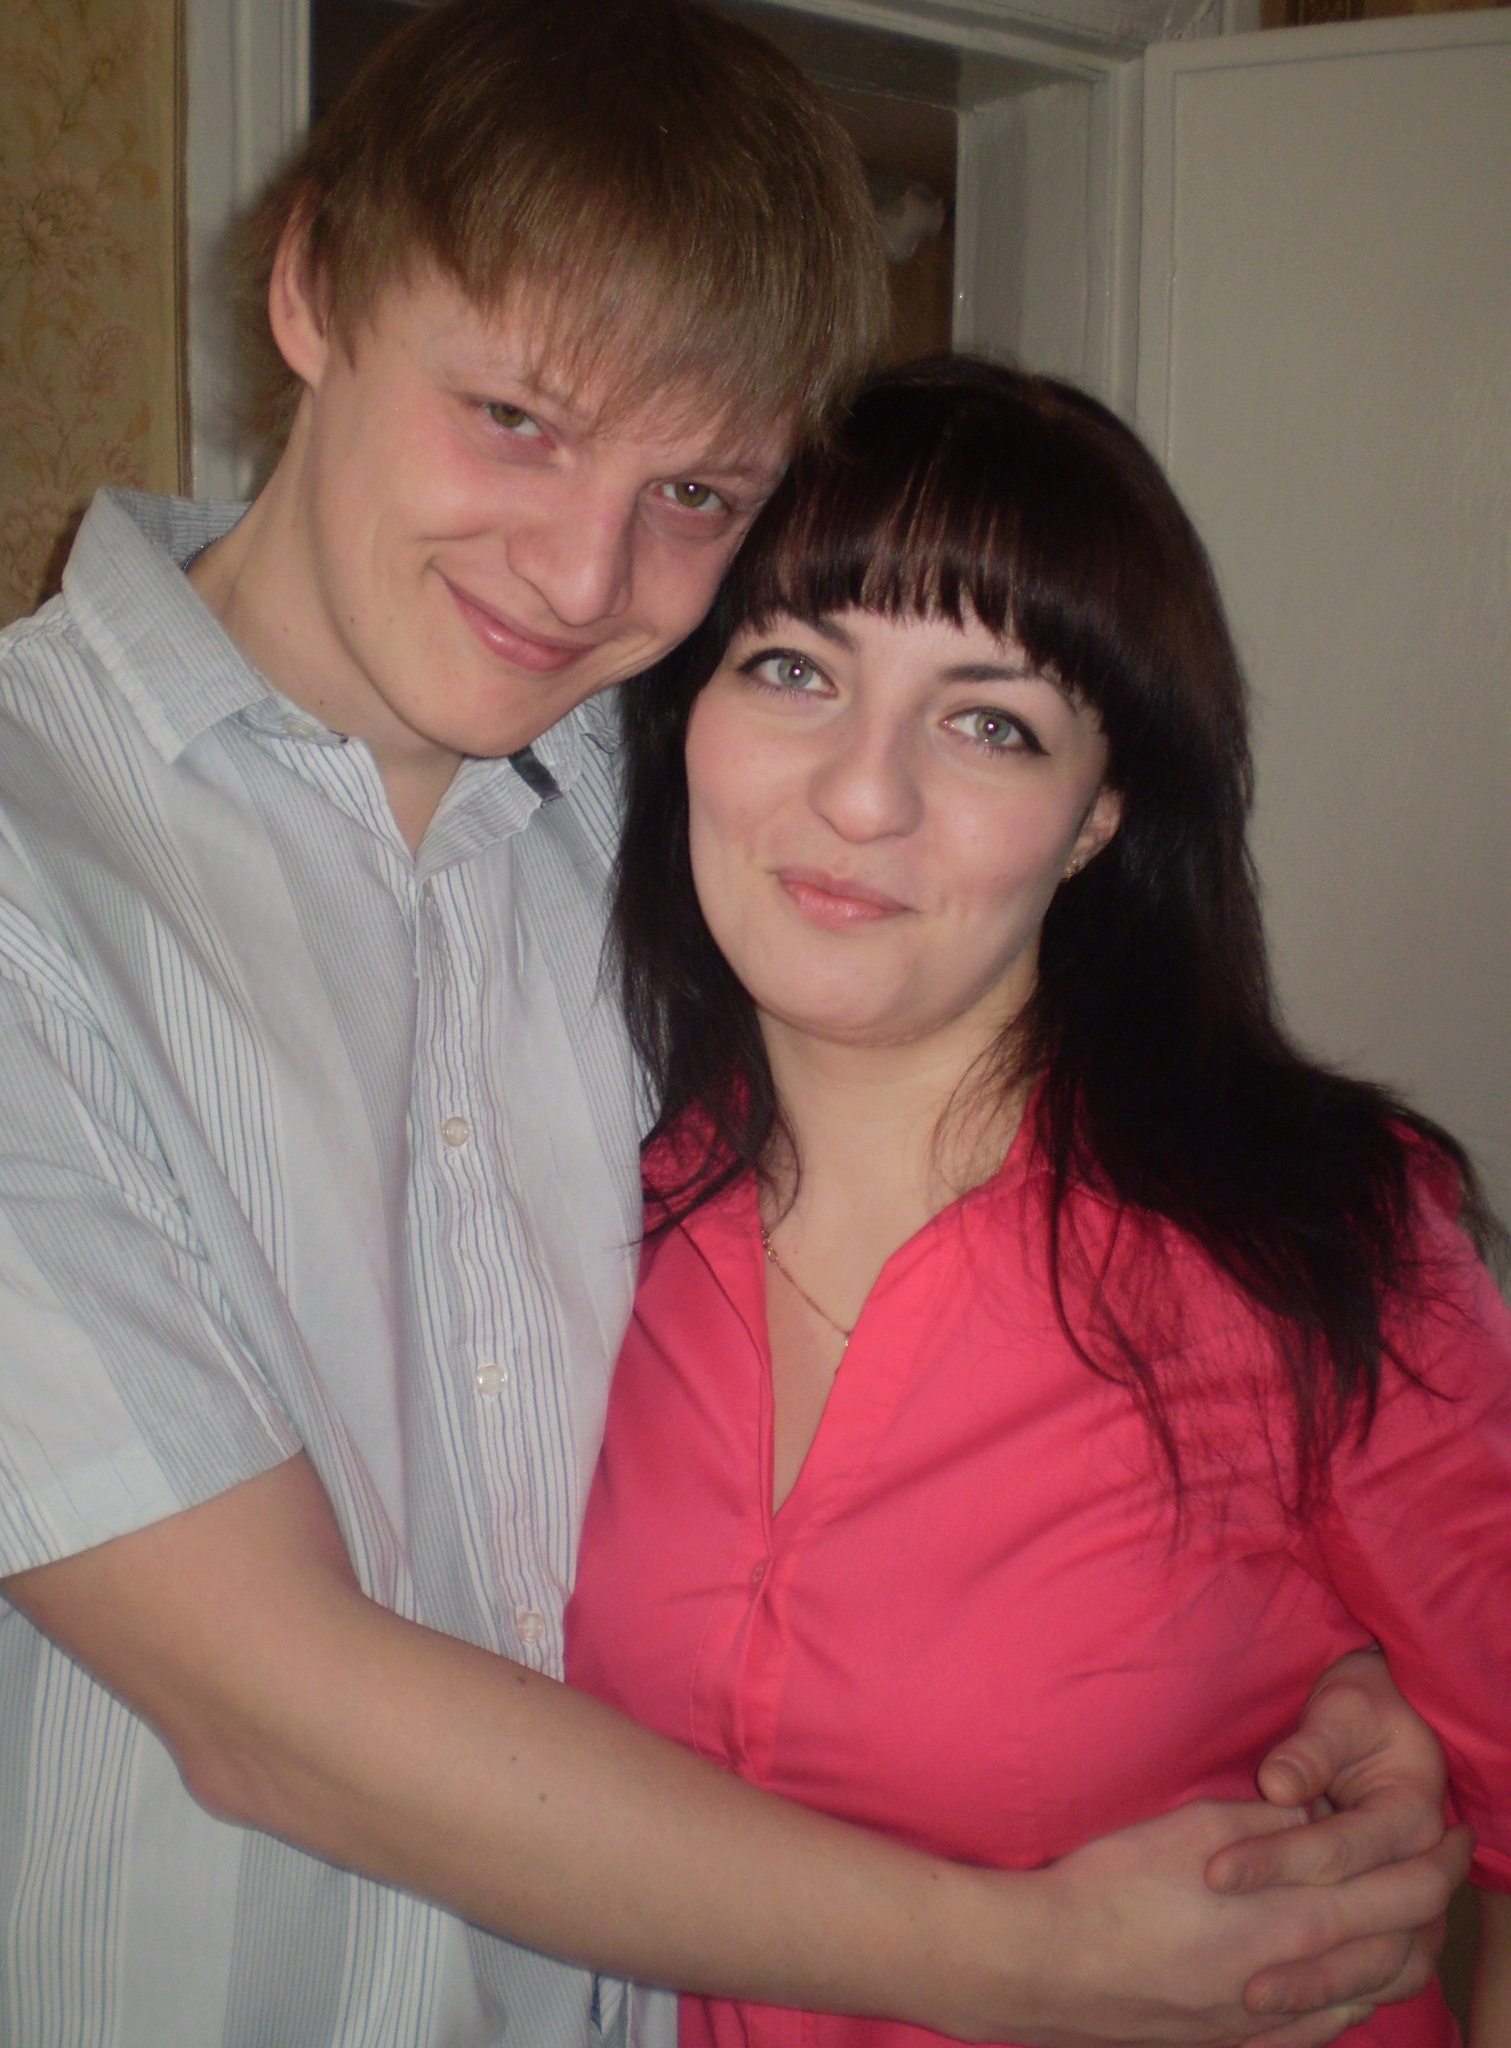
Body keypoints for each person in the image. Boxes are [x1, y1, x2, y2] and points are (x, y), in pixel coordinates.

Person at [0, 4, 1469, 2044]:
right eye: (516, 416)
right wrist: (1044, 1960)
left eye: (695, 489)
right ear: (312, 285)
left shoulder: (677, 821)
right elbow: (263, 1702)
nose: (584, 572)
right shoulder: (12, 858)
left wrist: (1300, 1662)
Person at [565, 355, 1511, 2047]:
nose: (863, 794)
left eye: (990, 721)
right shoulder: (570, 1197)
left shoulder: (1313, 1241)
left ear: (1100, 814)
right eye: (793, 668)